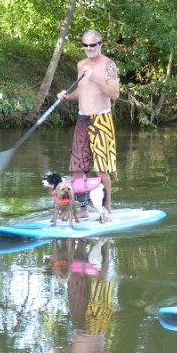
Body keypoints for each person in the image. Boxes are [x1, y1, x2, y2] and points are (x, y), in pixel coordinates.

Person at [57, 30, 120, 221]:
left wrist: (94, 78)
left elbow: (114, 93)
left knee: (100, 169)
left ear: (100, 44)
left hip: (101, 119)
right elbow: (82, 91)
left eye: (93, 45)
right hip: (82, 119)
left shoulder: (109, 65)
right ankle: (83, 208)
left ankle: (107, 208)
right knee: (77, 167)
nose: (89, 49)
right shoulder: (81, 65)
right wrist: (68, 95)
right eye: (86, 45)